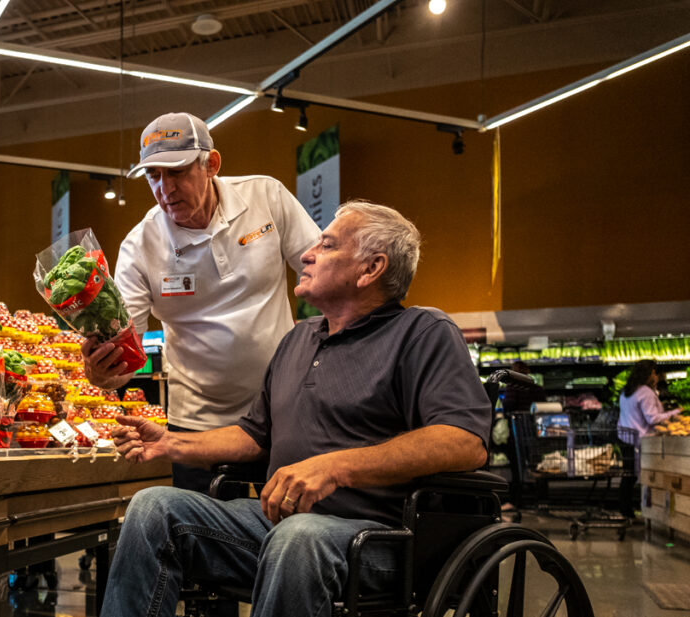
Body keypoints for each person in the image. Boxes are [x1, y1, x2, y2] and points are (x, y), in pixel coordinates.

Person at [100, 200, 491, 617]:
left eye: (327, 246)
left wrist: (334, 466)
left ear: (371, 269)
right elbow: (253, 435)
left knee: (299, 537)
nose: (306, 253)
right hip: (280, 525)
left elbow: (464, 441)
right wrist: (172, 443)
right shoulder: (298, 338)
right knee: (152, 508)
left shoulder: (422, 332)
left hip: (382, 538)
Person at [82, 112, 321, 493]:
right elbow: (126, 359)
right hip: (197, 427)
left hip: (283, 411)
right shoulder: (140, 247)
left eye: (176, 172)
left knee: (284, 532)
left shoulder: (266, 197)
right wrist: (104, 374)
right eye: (154, 176)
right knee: (200, 541)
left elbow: (323, 274)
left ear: (211, 164)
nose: (165, 189)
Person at [617, 359, 681, 518]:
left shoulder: (627, 390)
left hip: (626, 438)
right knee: (642, 477)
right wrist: (676, 412)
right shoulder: (645, 392)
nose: (657, 376)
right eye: (654, 372)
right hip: (641, 441)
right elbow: (652, 419)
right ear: (648, 374)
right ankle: (639, 510)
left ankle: (626, 510)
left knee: (628, 476)